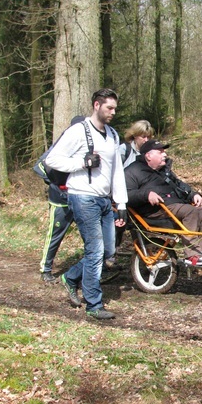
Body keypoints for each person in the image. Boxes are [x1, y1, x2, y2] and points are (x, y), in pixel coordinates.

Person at [45, 88, 128, 320]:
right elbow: (52, 159)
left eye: (115, 108)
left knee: (108, 251)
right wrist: (81, 163)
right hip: (82, 196)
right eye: (109, 108)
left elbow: (117, 171)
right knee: (95, 250)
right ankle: (94, 304)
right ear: (96, 105)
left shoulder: (112, 134)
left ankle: (71, 278)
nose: (113, 112)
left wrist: (121, 201)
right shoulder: (78, 131)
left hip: (104, 200)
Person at [124, 139, 202, 267]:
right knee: (189, 211)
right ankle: (192, 255)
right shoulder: (132, 171)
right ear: (148, 156)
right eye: (160, 152)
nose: (165, 154)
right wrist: (146, 194)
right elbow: (125, 194)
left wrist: (193, 194)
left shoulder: (164, 171)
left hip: (174, 207)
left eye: (164, 151)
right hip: (152, 211)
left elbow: (179, 185)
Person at [39, 116, 84, 282]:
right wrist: (56, 184)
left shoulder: (87, 144)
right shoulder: (61, 144)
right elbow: (41, 165)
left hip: (80, 196)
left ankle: (91, 270)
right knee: (55, 234)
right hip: (60, 199)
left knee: (91, 235)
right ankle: (46, 269)